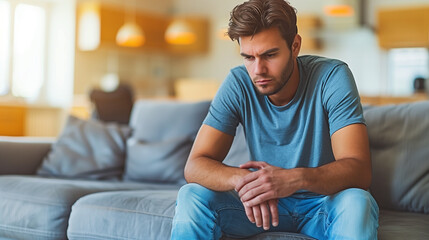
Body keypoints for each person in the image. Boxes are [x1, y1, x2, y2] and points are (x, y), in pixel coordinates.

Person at [170, 0, 379, 239]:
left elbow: (359, 170)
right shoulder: (238, 83)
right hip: (264, 207)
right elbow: (195, 165)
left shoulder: (332, 77)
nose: (258, 70)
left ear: (295, 46)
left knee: (357, 201)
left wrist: (293, 179)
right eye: (248, 57)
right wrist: (247, 182)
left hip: (324, 204)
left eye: (270, 55)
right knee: (192, 195)